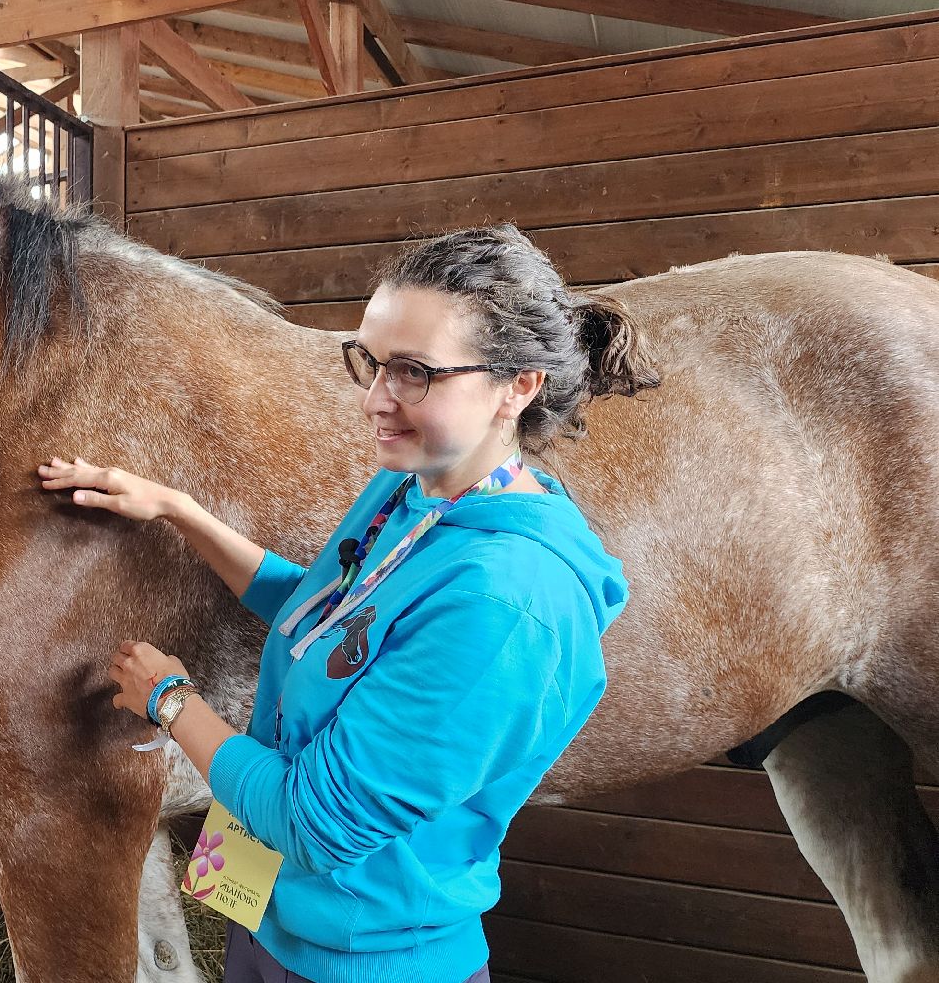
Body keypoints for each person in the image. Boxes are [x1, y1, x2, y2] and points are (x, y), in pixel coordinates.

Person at [38, 226, 659, 983]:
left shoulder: (505, 605)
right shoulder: (416, 489)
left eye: (414, 372)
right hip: (275, 912)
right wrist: (177, 509)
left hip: (365, 955)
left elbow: (312, 821)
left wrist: (171, 702)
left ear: (518, 385)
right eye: (369, 362)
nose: (375, 400)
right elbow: (326, 616)